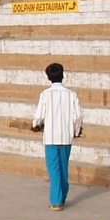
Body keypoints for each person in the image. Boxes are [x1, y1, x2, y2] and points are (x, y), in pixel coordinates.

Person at [29, 63, 83, 210]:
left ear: (48, 77)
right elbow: (77, 116)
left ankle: (56, 200)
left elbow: (39, 115)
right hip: (66, 136)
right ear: (63, 75)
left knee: (54, 169)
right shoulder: (71, 94)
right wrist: (77, 131)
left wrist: (35, 124)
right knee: (63, 167)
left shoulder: (45, 94)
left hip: (51, 137)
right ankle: (62, 195)